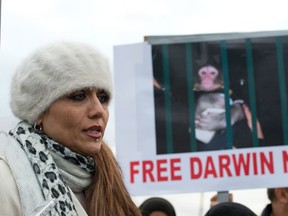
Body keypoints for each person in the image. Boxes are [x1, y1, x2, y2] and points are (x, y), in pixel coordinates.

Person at [0, 42, 141, 216]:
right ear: (39, 111)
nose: (99, 110)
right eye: (79, 96)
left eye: (102, 97)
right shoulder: (6, 183)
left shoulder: (109, 182)